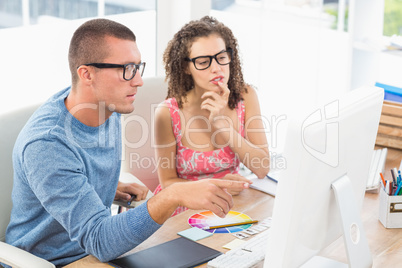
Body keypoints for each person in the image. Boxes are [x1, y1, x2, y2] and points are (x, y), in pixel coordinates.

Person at [4, 18, 249, 267]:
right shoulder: (47, 144)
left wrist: (97, 186)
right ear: (86, 74)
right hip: (58, 261)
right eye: (126, 69)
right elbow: (100, 240)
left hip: (99, 254)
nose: (138, 81)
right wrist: (172, 195)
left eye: (137, 67)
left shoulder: (107, 107)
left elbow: (70, 170)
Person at [153, 16, 270, 216]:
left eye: (221, 57)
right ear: (185, 67)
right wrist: (220, 187)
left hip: (231, 206)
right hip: (184, 210)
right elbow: (168, 183)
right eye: (203, 62)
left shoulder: (246, 96)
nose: (216, 68)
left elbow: (262, 168)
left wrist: (222, 124)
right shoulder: (167, 113)